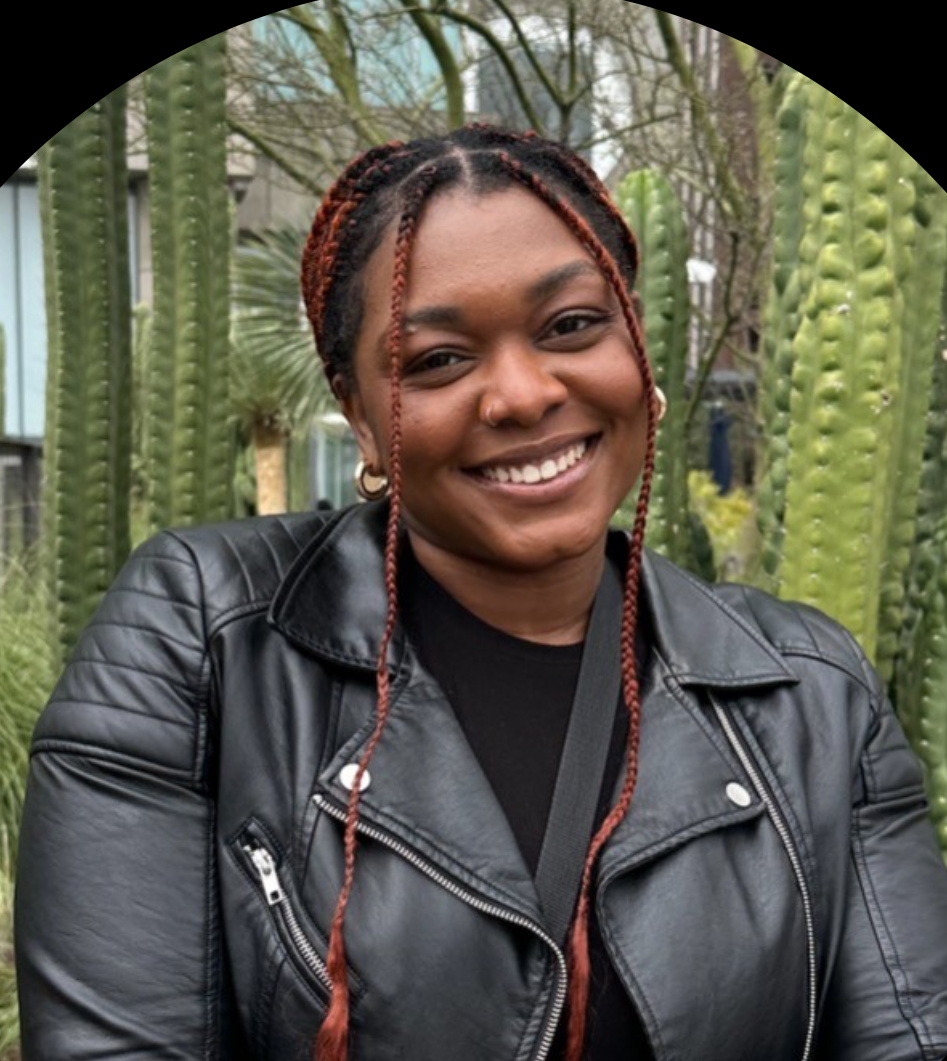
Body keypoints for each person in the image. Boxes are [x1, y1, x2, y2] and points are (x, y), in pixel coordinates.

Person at [13, 123, 947, 1061]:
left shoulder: (812, 695)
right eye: (438, 359)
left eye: (570, 325)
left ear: (637, 343)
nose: (522, 394)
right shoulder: (207, 639)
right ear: (359, 416)